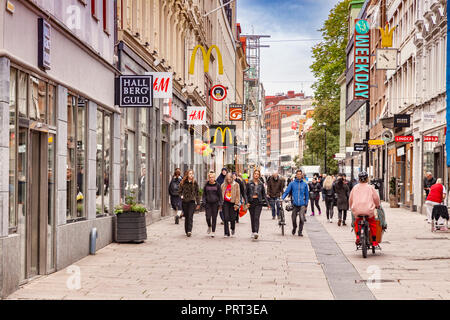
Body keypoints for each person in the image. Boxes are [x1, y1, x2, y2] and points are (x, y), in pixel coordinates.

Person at [349, 171, 381, 247]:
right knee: (372, 223)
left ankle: (357, 237)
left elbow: (350, 199)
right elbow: (376, 198)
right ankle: (373, 241)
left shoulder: (355, 188)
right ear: (367, 179)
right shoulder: (370, 187)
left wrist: (351, 207)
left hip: (357, 210)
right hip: (368, 210)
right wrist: (377, 205)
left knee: (357, 221)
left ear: (359, 179)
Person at [282, 169, 309, 237]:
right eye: (298, 174)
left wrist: (306, 204)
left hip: (302, 204)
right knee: (293, 218)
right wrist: (282, 198)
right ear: (296, 175)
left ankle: (300, 231)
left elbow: (307, 195)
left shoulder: (305, 184)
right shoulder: (292, 183)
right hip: (295, 204)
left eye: (300, 174)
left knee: (302, 218)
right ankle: (294, 228)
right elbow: (287, 191)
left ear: (302, 175)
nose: (299, 175)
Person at [246, 169, 270, 239]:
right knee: (252, 217)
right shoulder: (249, 183)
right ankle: (253, 231)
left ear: (259, 175)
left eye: (257, 174)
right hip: (251, 201)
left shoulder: (261, 184)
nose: (256, 175)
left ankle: (256, 232)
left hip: (258, 202)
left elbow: (264, 194)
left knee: (256, 217)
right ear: (253, 175)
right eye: (255, 173)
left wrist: (267, 203)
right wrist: (246, 202)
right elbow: (245, 193)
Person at [178, 169, 201, 237]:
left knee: (190, 216)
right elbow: (179, 191)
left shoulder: (195, 183)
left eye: (192, 174)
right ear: (187, 174)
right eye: (190, 173)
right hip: (185, 202)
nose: (191, 175)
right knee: (187, 216)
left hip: (192, 202)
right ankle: (186, 229)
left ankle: (189, 230)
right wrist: (181, 196)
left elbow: (197, 193)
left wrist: (198, 203)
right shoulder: (182, 182)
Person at [202, 172, 223, 237]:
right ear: (208, 178)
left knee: (214, 218)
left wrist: (220, 203)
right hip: (208, 203)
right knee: (208, 217)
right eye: (210, 177)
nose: (211, 179)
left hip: (215, 204)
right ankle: (209, 226)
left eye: (212, 177)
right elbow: (204, 195)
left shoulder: (217, 185)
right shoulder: (206, 185)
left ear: (214, 178)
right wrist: (204, 201)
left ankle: (213, 231)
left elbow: (220, 195)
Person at [221, 173, 241, 238]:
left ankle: (232, 228)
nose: (229, 180)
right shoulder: (223, 185)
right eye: (227, 179)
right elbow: (221, 194)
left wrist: (236, 204)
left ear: (232, 178)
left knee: (232, 218)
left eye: (230, 179)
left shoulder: (236, 185)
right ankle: (226, 232)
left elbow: (238, 195)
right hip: (225, 202)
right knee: (226, 217)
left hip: (232, 203)